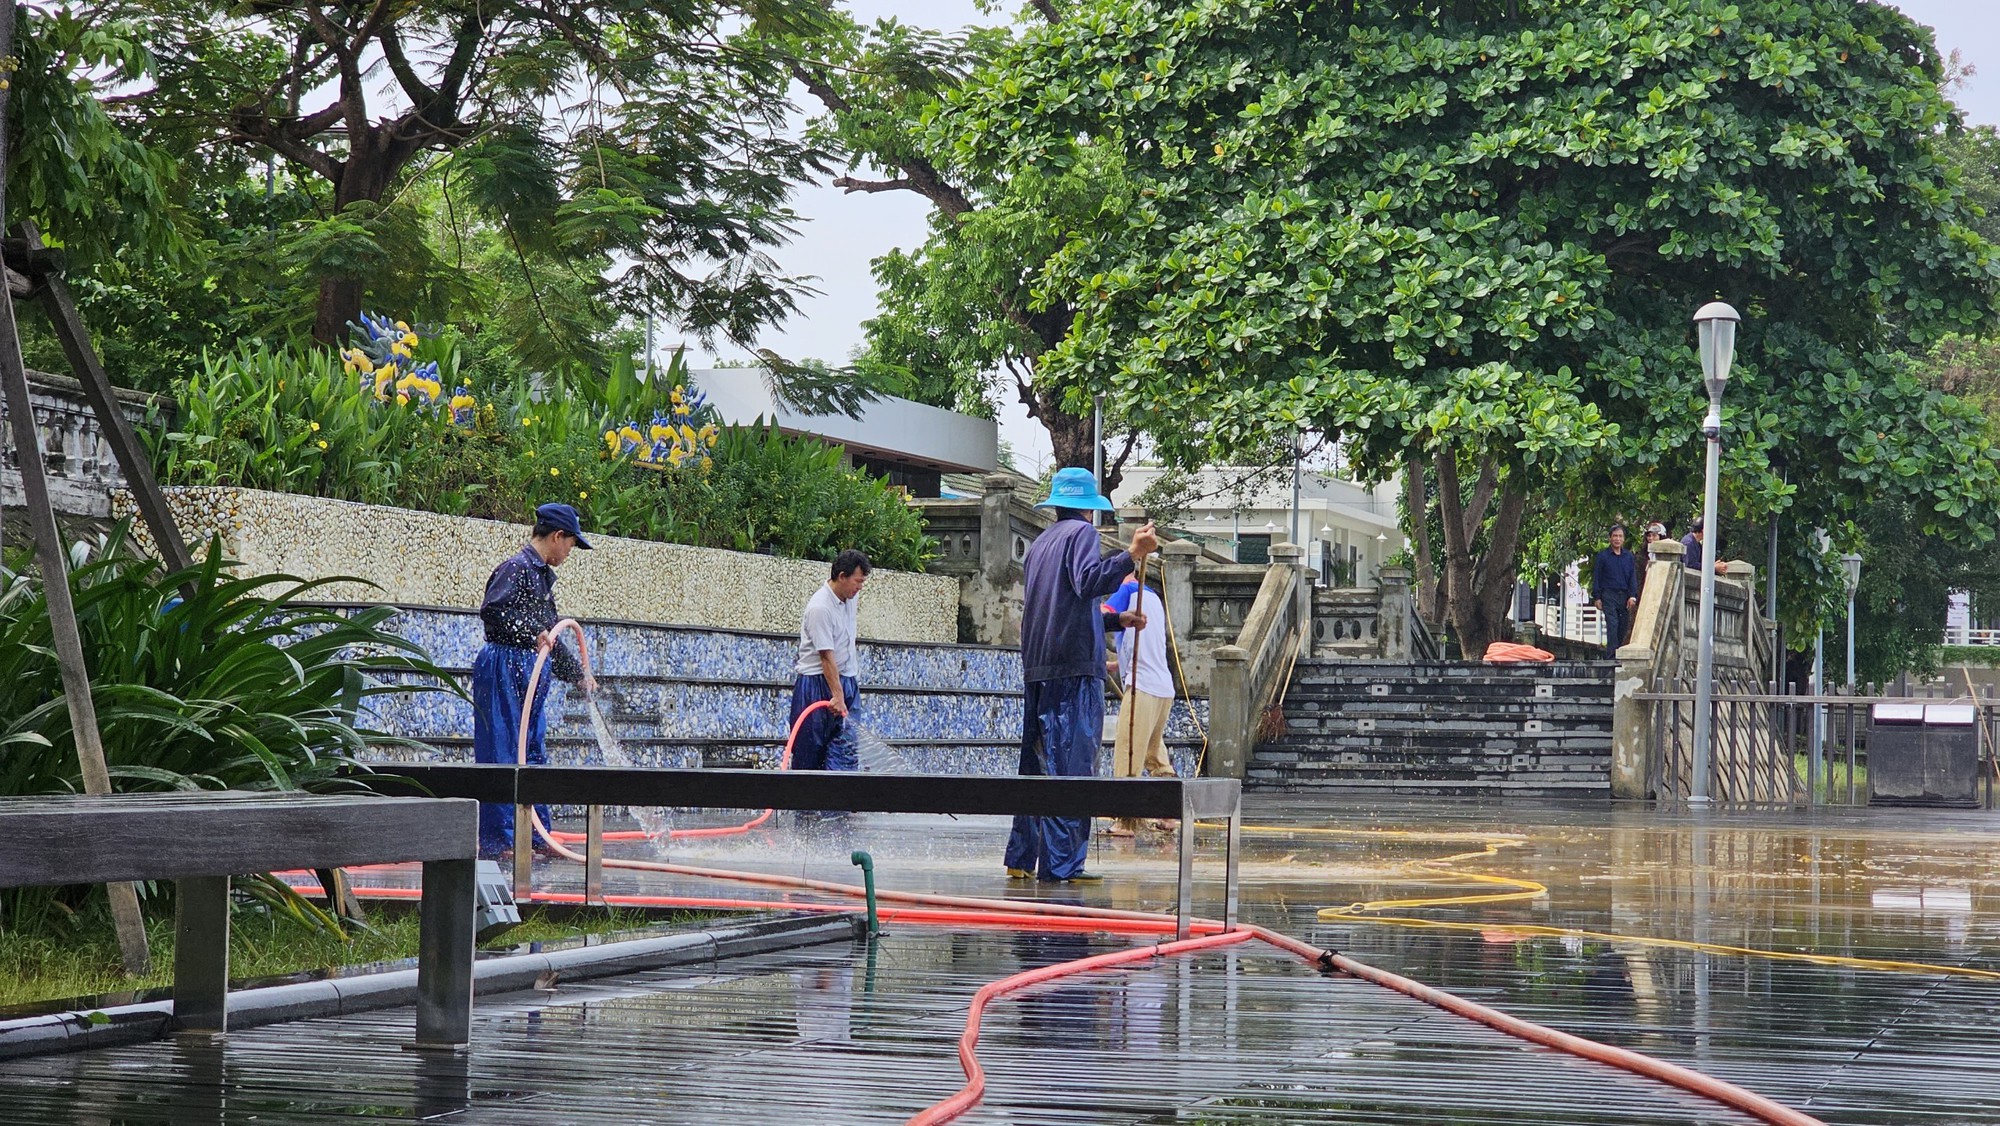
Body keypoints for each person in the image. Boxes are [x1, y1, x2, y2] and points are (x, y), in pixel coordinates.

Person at [1003, 467, 1157, 883]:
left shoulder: (1040, 545)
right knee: (1071, 767)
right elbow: (1089, 582)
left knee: (1036, 768)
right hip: (1072, 670)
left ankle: (1022, 857)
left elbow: (1066, 605)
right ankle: (1062, 865)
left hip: (1039, 666)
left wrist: (1117, 621)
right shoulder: (1082, 535)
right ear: (1089, 509)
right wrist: (1133, 553)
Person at [473, 503, 598, 861]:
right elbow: (493, 613)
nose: (570, 552)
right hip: (503, 665)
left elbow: (551, 635)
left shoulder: (542, 576)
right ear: (558, 536)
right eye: (571, 544)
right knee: (502, 750)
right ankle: (501, 840)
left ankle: (538, 834)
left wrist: (578, 675)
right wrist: (531, 634)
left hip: (530, 669)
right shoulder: (516, 568)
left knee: (533, 753)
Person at [1106, 576, 1176, 837]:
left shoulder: (1126, 589)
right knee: (1154, 753)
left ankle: (1125, 821)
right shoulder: (1155, 598)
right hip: (1163, 689)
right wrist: (1115, 666)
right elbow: (1143, 645)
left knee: (1128, 751)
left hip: (1142, 688)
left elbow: (1103, 615)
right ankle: (1168, 812)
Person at [790, 550, 870, 773]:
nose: (860, 587)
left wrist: (845, 691)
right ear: (842, 576)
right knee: (810, 752)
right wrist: (837, 695)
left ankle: (838, 807)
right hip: (816, 685)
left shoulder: (849, 598)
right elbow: (826, 656)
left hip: (846, 680)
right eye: (858, 581)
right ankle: (805, 807)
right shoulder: (820, 607)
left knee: (845, 751)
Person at [1589, 523, 1639, 658]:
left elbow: (1632, 577)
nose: (1617, 539)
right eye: (1615, 536)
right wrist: (1597, 597)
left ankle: (1619, 653)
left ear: (1623, 539)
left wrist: (1632, 596)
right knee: (1612, 625)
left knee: (1622, 626)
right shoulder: (1603, 556)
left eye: (1620, 536)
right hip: (1608, 595)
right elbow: (1597, 577)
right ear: (1610, 538)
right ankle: (1611, 657)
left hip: (1624, 596)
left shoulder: (1628, 556)